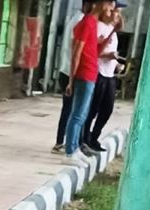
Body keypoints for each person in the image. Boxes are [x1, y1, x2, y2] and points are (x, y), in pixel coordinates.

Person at [64, 0, 116, 164]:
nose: (111, 12)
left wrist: (111, 33)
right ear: (102, 4)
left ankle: (75, 148)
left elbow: (94, 51)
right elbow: (77, 52)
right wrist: (71, 80)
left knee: (83, 114)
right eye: (110, 8)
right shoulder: (87, 23)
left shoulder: (92, 23)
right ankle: (70, 151)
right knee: (77, 114)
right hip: (84, 73)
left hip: (91, 73)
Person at [83, 1, 126, 153]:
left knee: (107, 109)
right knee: (93, 109)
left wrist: (116, 63)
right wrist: (109, 55)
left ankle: (94, 136)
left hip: (110, 74)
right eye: (114, 11)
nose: (117, 15)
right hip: (98, 72)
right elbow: (93, 51)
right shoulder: (99, 27)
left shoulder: (113, 32)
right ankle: (85, 138)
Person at [52, 1, 93, 154]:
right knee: (73, 111)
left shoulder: (76, 19)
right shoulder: (81, 22)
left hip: (68, 70)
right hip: (72, 72)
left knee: (72, 110)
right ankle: (66, 144)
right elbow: (76, 52)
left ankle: (65, 142)